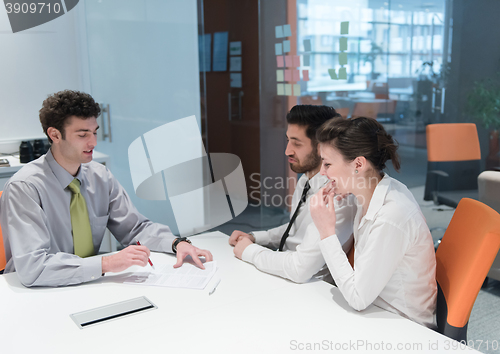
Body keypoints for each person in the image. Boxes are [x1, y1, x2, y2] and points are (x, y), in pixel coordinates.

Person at [0, 90, 212, 287]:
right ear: (55, 135)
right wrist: (106, 263)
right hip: (35, 291)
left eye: (94, 132)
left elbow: (135, 229)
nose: (93, 142)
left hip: (88, 282)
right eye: (83, 135)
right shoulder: (25, 187)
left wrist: (177, 243)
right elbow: (33, 268)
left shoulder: (99, 176)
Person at [310, 116, 437, 328]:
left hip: (403, 327)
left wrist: (326, 232)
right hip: (376, 309)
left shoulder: (391, 215)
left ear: (358, 164)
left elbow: (358, 298)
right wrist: (348, 190)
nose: (322, 172)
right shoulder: (374, 191)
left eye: (328, 164)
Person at [229, 105, 356, 283]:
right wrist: (256, 238)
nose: (287, 151)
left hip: (310, 287)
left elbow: (300, 269)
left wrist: (249, 251)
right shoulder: (306, 180)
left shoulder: (338, 196)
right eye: (288, 140)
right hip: (284, 271)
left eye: (297, 143)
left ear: (322, 148)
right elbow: (295, 229)